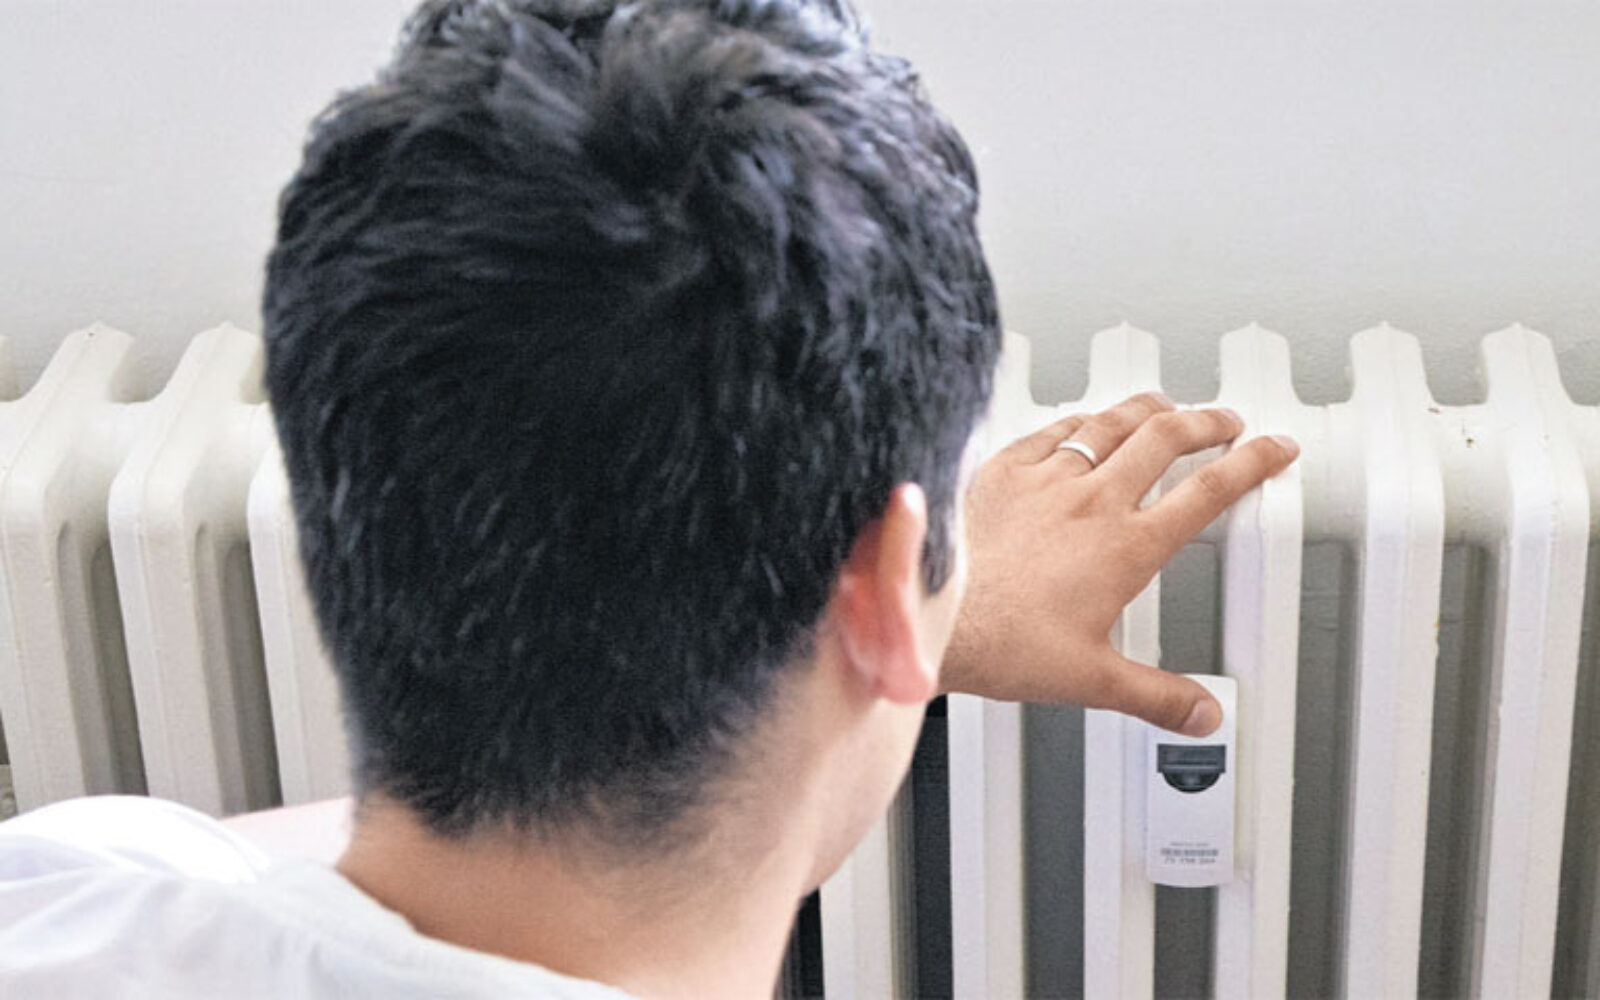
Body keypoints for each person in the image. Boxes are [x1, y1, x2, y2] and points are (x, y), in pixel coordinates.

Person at [0, 1, 1297, 996]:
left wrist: (893, 620)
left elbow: (281, 892)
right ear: (882, 592)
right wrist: (875, 631)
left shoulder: (61, 896)